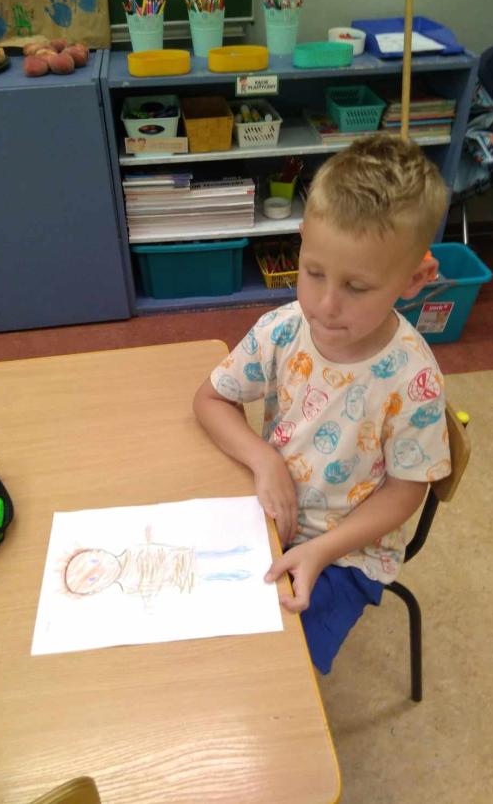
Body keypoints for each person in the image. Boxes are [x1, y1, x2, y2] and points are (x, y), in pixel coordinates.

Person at [193, 134, 452, 673]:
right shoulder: (283, 329)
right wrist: (263, 459)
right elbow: (211, 398)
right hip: (267, 505)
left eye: (357, 287)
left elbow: (407, 491)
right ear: (302, 242)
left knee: (275, 665)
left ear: (415, 279)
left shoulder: (414, 379)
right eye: (313, 273)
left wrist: (321, 550)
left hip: (348, 550)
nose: (325, 305)